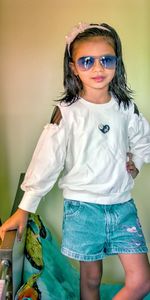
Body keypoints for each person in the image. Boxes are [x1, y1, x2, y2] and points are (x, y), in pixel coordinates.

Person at [0, 22, 150, 300]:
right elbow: (47, 161)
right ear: (73, 67)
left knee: (141, 282)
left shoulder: (126, 108)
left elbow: (143, 139)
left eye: (106, 60)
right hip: (83, 210)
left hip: (122, 208)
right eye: (87, 61)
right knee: (91, 280)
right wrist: (25, 209)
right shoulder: (67, 113)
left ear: (117, 62)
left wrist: (136, 163)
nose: (98, 68)